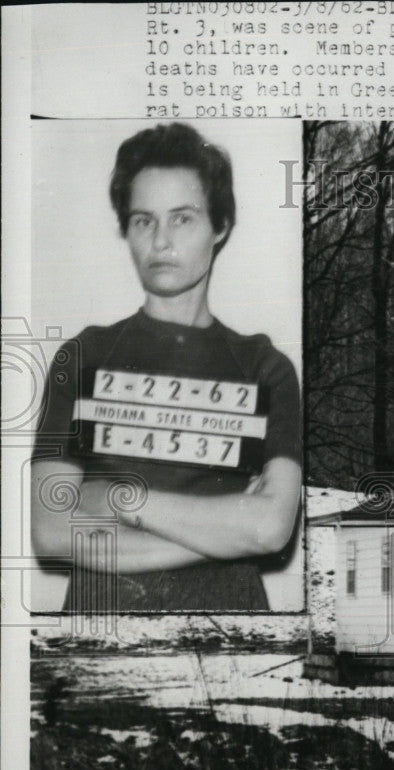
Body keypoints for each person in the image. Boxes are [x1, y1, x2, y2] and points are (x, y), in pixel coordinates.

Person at [31, 123, 302, 611]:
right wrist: (220, 538)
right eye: (143, 221)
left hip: (232, 627)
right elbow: (52, 531)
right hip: (101, 631)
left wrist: (119, 499)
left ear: (219, 226)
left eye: (182, 219)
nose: (160, 242)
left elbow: (271, 527)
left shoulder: (266, 368)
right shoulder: (85, 357)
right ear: (127, 230)